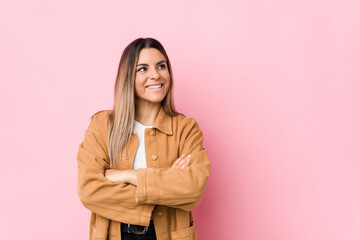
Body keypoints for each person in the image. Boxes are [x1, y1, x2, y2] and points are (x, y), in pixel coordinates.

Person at [77, 37, 210, 240]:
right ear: (128, 77)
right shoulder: (102, 126)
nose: (155, 75)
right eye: (143, 69)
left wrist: (130, 176)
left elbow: (193, 188)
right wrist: (166, 184)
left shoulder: (186, 128)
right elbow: (89, 190)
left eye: (161, 66)